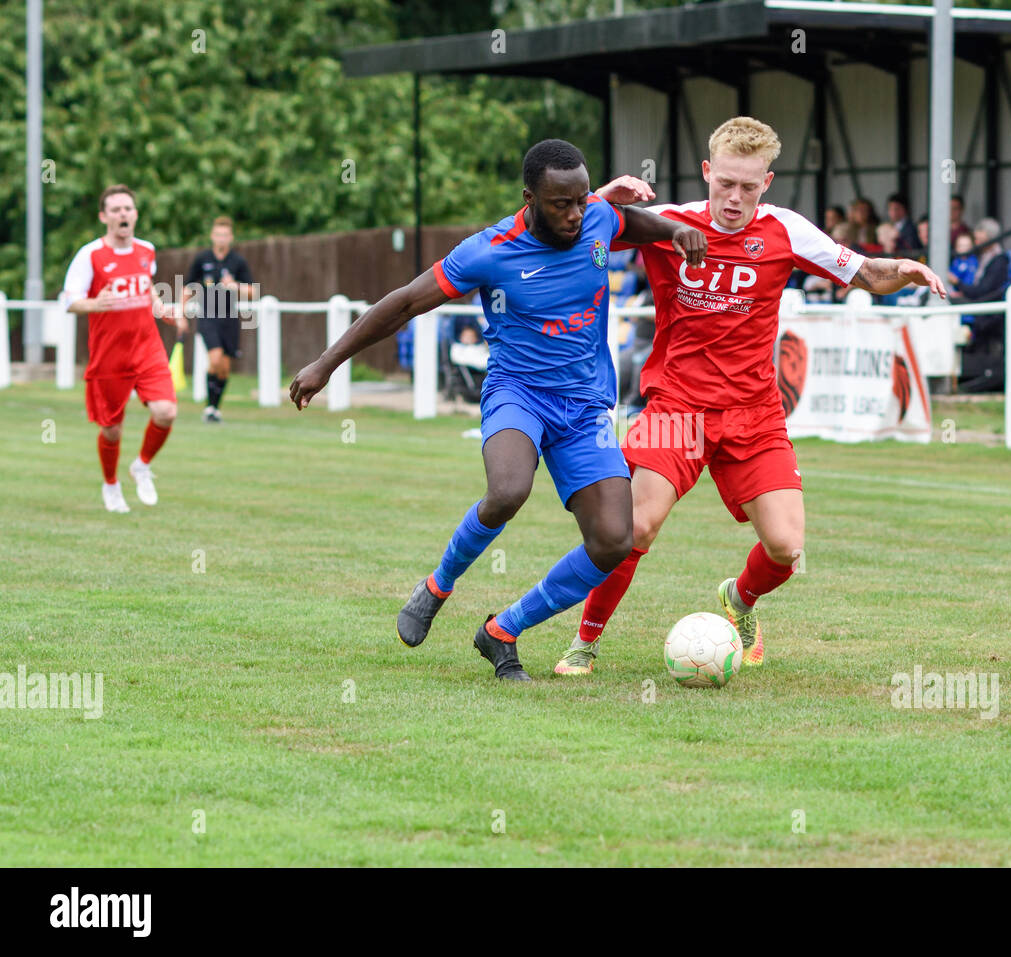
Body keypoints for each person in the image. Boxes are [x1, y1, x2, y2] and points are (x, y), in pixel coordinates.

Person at [288, 140, 706, 681]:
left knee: (612, 541)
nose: (577, 214)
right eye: (562, 204)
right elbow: (406, 303)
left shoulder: (597, 218)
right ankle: (437, 585)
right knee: (508, 491)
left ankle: (502, 630)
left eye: (582, 199)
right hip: (519, 394)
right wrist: (326, 362)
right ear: (529, 198)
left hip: (584, 408)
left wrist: (676, 231)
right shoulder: (489, 251)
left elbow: (637, 223)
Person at [553, 116, 946, 675]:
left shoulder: (786, 230)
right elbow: (567, 223)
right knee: (636, 528)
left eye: (748, 186)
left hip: (754, 413)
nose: (734, 199)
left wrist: (902, 269)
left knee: (787, 547)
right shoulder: (664, 223)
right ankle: (585, 643)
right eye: (725, 184)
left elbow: (863, 273)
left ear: (768, 182)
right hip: (677, 407)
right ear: (707, 172)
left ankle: (739, 599)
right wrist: (600, 197)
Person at [62, 184, 187, 513]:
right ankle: (111, 484)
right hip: (109, 356)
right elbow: (70, 301)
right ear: (104, 216)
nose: (123, 214)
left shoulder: (147, 250)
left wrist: (163, 310)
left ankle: (142, 465)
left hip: (147, 349)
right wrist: (94, 303)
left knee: (166, 411)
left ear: (135, 214)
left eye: (128, 209)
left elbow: (149, 292)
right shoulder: (90, 255)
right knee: (112, 430)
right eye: (115, 210)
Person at [183, 216, 256, 422]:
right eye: (218, 235)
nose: (222, 238)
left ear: (231, 237)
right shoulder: (202, 259)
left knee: (224, 367)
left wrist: (236, 286)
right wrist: (182, 311)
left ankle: (214, 408)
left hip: (229, 318)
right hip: (208, 316)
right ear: (212, 236)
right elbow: (187, 286)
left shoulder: (238, 261)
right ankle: (209, 409)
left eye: (225, 235)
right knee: (214, 358)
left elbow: (253, 291)